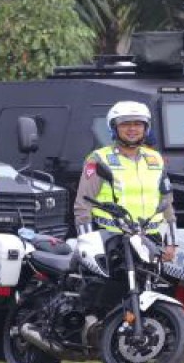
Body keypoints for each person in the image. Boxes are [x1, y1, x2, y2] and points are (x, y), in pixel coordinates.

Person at [72, 101, 177, 261]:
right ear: (114, 128)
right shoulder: (98, 159)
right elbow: (83, 204)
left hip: (151, 240)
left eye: (138, 124)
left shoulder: (155, 159)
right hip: (112, 241)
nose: (132, 129)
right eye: (125, 124)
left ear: (146, 128)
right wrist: (87, 243)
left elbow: (166, 202)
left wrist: (171, 243)